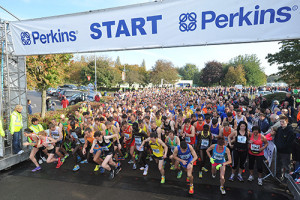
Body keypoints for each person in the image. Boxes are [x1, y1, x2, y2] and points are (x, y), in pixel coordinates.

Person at [274, 115, 295, 179]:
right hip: (278, 150)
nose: (281, 123)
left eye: (283, 122)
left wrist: (281, 147)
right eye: (280, 122)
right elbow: (276, 138)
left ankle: (286, 179)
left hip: (285, 152)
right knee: (278, 164)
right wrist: (277, 146)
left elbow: (289, 143)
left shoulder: (290, 131)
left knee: (286, 166)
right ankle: (278, 176)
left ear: (286, 122)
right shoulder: (279, 129)